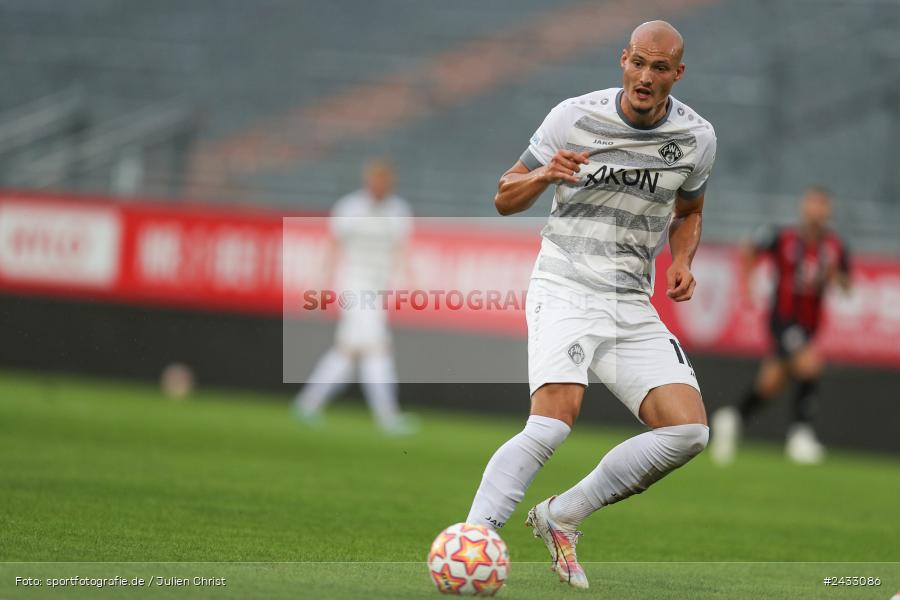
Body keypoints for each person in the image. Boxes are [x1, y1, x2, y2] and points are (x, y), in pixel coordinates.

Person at [465, 21, 716, 589]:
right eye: (638, 63)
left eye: (659, 68)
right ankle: (473, 539)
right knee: (552, 425)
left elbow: (690, 211)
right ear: (622, 60)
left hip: (631, 297)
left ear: (678, 74)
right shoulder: (572, 116)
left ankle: (563, 516)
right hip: (566, 284)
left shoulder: (698, 138)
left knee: (689, 433)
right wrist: (545, 175)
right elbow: (505, 194)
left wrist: (682, 260)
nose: (645, 77)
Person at [710, 187, 851, 465]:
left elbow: (847, 285)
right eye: (812, 204)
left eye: (822, 206)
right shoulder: (783, 237)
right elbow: (749, 247)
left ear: (829, 211)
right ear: (803, 207)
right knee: (810, 365)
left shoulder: (835, 246)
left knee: (771, 383)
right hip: (783, 321)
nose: (816, 211)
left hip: (810, 326)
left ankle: (731, 418)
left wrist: (837, 278)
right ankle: (800, 435)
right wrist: (746, 283)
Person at [293, 159, 417, 435]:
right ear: (367, 181)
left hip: (377, 288)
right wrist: (321, 283)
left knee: (347, 352)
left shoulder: (398, 211)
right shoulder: (350, 208)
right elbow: (334, 247)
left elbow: (400, 251)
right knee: (377, 347)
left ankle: (307, 404)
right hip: (354, 287)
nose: (379, 185)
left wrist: (411, 281)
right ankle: (387, 417)